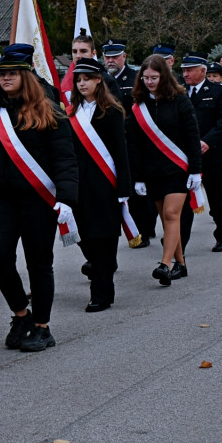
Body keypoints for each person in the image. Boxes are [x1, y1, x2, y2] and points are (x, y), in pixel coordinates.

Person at [0, 48, 78, 352]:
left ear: (26, 76)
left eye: (12, 73)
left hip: (39, 201)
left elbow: (65, 160)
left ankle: (43, 327)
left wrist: (67, 199)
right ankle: (21, 315)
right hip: (3, 200)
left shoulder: (50, 112)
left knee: (39, 265)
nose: (5, 78)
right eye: (2, 73)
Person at [127, 54, 202, 285]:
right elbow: (135, 145)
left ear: (164, 76)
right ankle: (181, 264)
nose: (149, 81)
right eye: (146, 77)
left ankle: (165, 264)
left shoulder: (180, 100)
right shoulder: (138, 106)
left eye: (154, 77)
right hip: (152, 173)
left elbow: (192, 137)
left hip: (178, 169)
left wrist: (195, 171)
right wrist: (137, 178)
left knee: (171, 215)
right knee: (168, 219)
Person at [67, 58, 131, 312]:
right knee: (84, 237)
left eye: (87, 79)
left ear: (98, 81)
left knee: (104, 239)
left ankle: (101, 294)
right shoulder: (71, 113)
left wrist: (124, 188)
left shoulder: (112, 111)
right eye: (78, 80)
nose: (82, 84)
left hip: (105, 185)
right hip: (79, 187)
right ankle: (102, 275)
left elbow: (120, 151)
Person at [179, 53, 222, 253]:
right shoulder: (178, 92)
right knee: (183, 200)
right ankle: (179, 239)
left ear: (202, 71)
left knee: (216, 196)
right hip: (184, 155)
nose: (185, 74)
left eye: (189, 70)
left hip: (211, 153)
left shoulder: (220, 92)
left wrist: (207, 141)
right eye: (183, 70)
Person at [106, 39, 152, 249]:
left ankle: (142, 229)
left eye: (115, 56)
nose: (111, 60)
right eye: (107, 56)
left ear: (124, 56)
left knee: (137, 186)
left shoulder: (135, 79)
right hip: (108, 142)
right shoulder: (101, 79)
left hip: (134, 140)